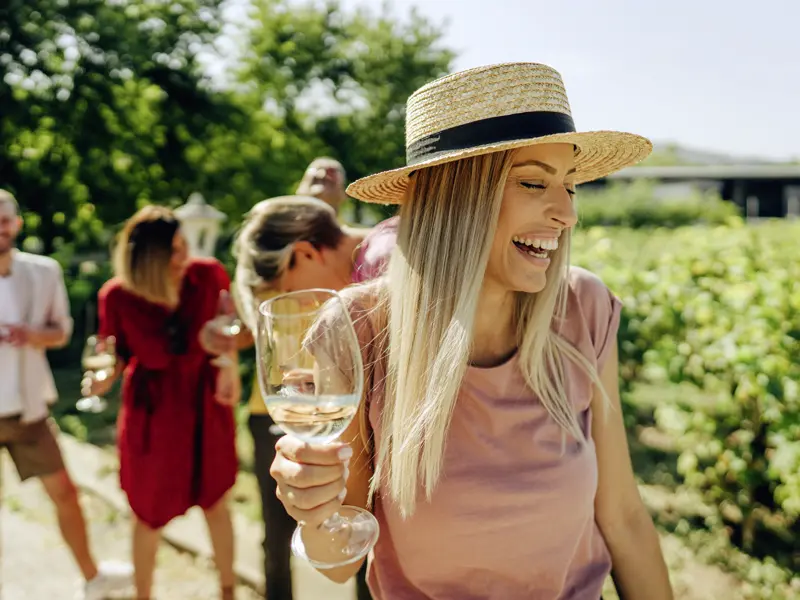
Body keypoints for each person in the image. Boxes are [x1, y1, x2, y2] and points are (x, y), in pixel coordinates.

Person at [269, 62, 675, 599]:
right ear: (455, 199)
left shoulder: (584, 308)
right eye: (534, 183)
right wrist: (315, 511)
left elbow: (622, 517)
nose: (566, 214)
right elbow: (338, 563)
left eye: (570, 187)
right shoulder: (360, 329)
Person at [211, 194, 397, 600]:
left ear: (305, 253)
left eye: (288, 291)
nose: (306, 308)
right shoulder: (374, 254)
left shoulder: (386, 260)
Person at [89, 205, 240, 600]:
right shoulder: (118, 296)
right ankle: (144, 596)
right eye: (172, 251)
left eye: (183, 246)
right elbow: (114, 352)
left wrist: (228, 367)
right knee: (147, 513)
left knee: (216, 501)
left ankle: (228, 591)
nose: (182, 257)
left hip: (205, 404)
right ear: (145, 259)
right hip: (153, 416)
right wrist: (107, 373)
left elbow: (230, 328)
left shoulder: (207, 275)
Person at [0, 189, 133, 600]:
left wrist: (31, 335)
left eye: (4, 219)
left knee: (65, 493)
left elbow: (62, 332)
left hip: (28, 410)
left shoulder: (43, 272)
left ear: (17, 223)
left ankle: (93, 579)